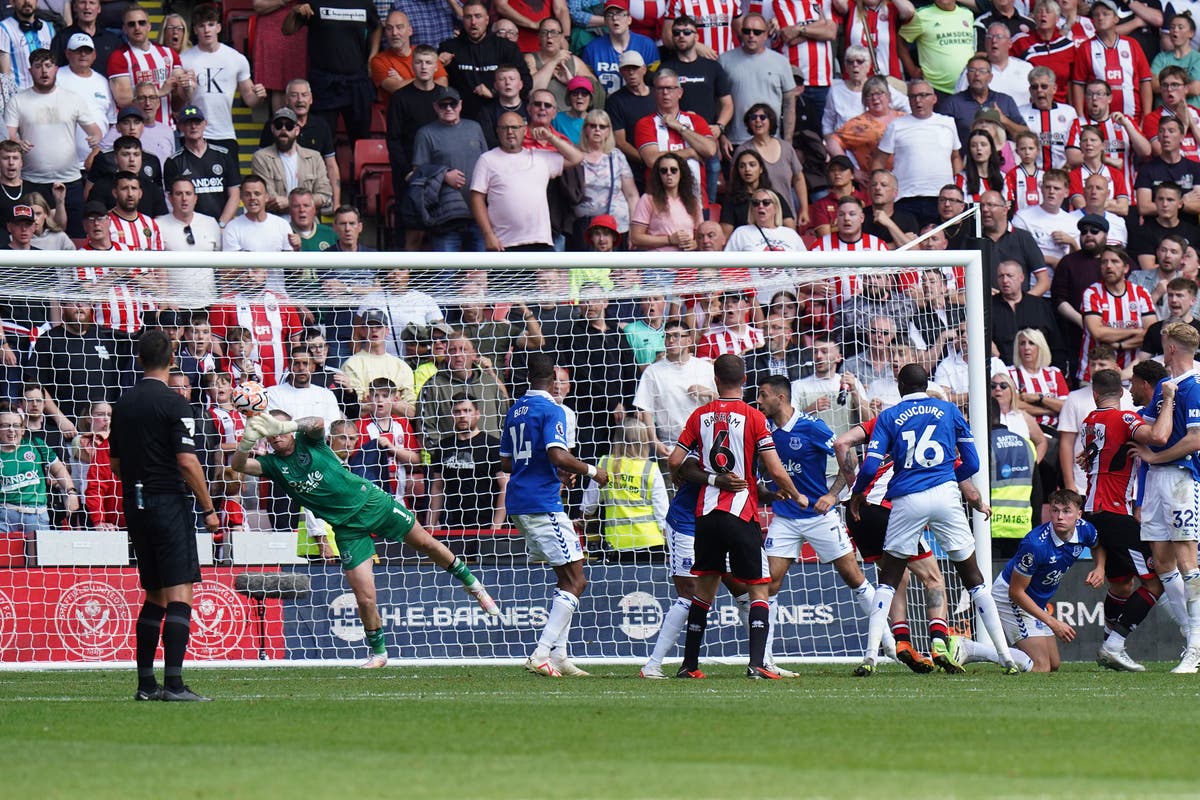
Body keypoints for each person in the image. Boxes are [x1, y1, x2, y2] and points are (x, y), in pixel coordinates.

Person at [233, 409, 498, 668]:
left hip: (372, 503)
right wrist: (247, 441)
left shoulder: (308, 441)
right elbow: (238, 465)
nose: (276, 436)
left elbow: (317, 422)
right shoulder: (273, 465)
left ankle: (473, 584)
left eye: (280, 430)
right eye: (271, 433)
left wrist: (286, 426)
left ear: (289, 430)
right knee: (364, 597)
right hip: (346, 528)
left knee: (425, 543)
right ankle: (379, 653)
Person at [849, 363, 1019, 676]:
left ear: (900, 386)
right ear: (926, 384)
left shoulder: (888, 416)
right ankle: (1005, 657)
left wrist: (858, 492)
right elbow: (973, 463)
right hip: (945, 494)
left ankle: (871, 656)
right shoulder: (949, 410)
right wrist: (948, 476)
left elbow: (870, 466)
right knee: (973, 577)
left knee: (890, 579)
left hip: (906, 499)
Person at [667, 354, 804, 680]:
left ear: (715, 380)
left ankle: (689, 665)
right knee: (759, 588)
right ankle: (757, 663)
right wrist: (797, 495)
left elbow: (674, 461)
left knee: (704, 589)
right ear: (744, 380)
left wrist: (690, 478)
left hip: (706, 514)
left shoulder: (699, 415)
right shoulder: (754, 417)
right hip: (741, 513)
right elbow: (775, 469)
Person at [108, 330, 220, 701]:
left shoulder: (122, 404)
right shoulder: (175, 403)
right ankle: (173, 685)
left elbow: (116, 464)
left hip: (135, 504)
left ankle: (145, 685)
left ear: (139, 360)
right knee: (180, 592)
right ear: (172, 360)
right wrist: (208, 508)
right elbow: (187, 461)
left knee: (154, 593)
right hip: (168, 503)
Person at [755, 375, 892, 672]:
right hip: (785, 517)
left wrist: (832, 495)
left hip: (819, 516)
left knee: (854, 578)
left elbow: (849, 458)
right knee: (769, 585)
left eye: (763, 395)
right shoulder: (762, 429)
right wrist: (770, 492)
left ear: (781, 398)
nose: (759, 401)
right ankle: (764, 659)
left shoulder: (811, 427)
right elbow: (762, 475)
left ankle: (889, 644)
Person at [500, 352, 608, 677]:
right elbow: (558, 454)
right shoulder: (552, 409)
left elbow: (507, 462)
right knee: (577, 580)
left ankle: (559, 655)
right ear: (553, 381)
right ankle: (541, 652)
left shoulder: (515, 410)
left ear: (528, 376)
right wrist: (593, 471)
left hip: (518, 501)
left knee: (565, 579)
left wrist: (550, 468)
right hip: (542, 502)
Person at [1080, 367, 1172, 672]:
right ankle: (1114, 645)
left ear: (1094, 394)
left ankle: (1109, 642)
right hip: (1115, 512)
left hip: (1093, 510)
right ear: (1121, 392)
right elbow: (1158, 436)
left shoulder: (1088, 421)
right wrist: (1168, 400)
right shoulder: (1124, 419)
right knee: (1156, 582)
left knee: (1121, 585)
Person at [1133, 321, 1200, 673]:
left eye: (1162, 342)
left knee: (1188, 561)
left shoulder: (1194, 385)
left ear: (1171, 347)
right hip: (1157, 481)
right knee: (1162, 562)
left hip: (1181, 479)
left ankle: (1196, 648)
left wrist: (1156, 459)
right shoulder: (1164, 386)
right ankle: (1191, 633)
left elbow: (1195, 438)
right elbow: (1144, 426)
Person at [968, 490, 1097, 673]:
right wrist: (1053, 622)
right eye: (1055, 510)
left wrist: (1100, 567)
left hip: (1034, 600)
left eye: (1067, 511)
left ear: (1079, 514)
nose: (1060, 517)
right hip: (1011, 598)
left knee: (1054, 664)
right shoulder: (1035, 545)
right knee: (1041, 667)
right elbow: (1015, 592)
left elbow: (1098, 545)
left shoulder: (1085, 529)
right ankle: (972, 649)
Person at [470, 111, 583, 252]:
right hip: (503, 243)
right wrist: (488, 234)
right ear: (497, 131)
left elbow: (576, 157)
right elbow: (476, 198)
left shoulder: (540, 157)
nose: (510, 132)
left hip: (541, 242)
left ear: (525, 130)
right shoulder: (487, 159)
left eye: (515, 127)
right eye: (504, 128)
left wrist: (551, 137)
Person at [181, 3, 266, 159]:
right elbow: (179, 100)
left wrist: (259, 95)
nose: (207, 30)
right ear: (195, 30)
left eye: (211, 24)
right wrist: (186, 89)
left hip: (225, 133)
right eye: (201, 26)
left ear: (219, 27)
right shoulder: (184, 59)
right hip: (193, 132)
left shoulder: (236, 58)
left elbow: (250, 99)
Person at [874, 80, 962, 226]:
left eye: (923, 95)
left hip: (941, 198)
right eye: (913, 96)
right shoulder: (896, 125)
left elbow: (956, 157)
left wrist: (956, 188)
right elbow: (879, 161)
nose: (918, 100)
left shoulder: (948, 123)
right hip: (905, 198)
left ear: (934, 98)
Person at [580, 417, 666, 556]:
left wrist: (582, 518)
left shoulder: (604, 463)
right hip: (650, 541)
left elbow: (588, 505)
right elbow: (662, 510)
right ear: (644, 441)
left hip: (616, 543)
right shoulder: (651, 468)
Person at [439, 0, 531, 119]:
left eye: (478, 16)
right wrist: (438, 65)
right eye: (468, 17)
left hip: (501, 115)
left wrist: (494, 92)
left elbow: (526, 82)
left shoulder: (506, 47)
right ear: (463, 19)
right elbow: (435, 88)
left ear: (487, 20)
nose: (473, 22)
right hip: (462, 117)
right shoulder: (448, 48)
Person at [718, 12, 797, 151]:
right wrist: (721, 135)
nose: (751, 35)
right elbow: (717, 103)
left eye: (757, 32)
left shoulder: (781, 62)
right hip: (735, 140)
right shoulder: (724, 61)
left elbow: (789, 104)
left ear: (765, 35)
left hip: (772, 140)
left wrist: (788, 141)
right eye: (746, 31)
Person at [428, 395, 507, 530]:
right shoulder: (443, 447)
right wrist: (430, 524)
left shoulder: (492, 445)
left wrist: (496, 526)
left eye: (467, 410)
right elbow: (437, 487)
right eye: (457, 411)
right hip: (455, 526)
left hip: (487, 526)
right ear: (452, 415)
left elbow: (505, 486)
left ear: (477, 414)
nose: (462, 416)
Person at [1079, 246, 1157, 381]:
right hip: (1093, 375)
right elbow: (1098, 333)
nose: (1108, 266)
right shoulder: (1092, 293)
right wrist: (1136, 331)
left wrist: (1120, 345)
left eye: (1114, 261)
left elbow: (1150, 335)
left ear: (1126, 268)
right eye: (1104, 262)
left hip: (1132, 374)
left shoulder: (1141, 293)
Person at [1070, 0, 1152, 125]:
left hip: (1132, 119)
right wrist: (1081, 118)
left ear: (1116, 19)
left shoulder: (1132, 44)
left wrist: (1146, 117)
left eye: (1105, 14)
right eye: (1096, 15)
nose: (1100, 18)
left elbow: (1145, 81)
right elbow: (1078, 84)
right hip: (1097, 122)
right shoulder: (1086, 47)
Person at [164, 104, 241, 225]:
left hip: (222, 225)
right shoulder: (173, 161)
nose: (193, 126)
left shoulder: (224, 155)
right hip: (190, 226)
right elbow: (172, 199)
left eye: (197, 122)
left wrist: (222, 224)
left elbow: (234, 194)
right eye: (188, 123)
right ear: (180, 126)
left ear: (205, 124)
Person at [251, 107, 334, 214]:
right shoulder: (260, 157)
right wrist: (307, 202)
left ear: (297, 130)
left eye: (289, 126)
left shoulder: (314, 157)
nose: (283, 130)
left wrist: (290, 202)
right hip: (275, 220)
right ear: (272, 129)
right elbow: (266, 195)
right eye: (279, 125)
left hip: (308, 220)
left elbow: (325, 195)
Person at [898, 0, 976, 97]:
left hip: (968, 86)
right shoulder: (921, 15)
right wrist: (911, 69)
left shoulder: (968, 14)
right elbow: (900, 39)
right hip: (936, 89)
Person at [581, 0, 658, 96]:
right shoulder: (592, 49)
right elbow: (587, 83)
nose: (615, 18)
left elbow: (654, 81)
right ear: (605, 21)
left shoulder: (647, 45)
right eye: (610, 15)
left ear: (629, 19)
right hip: (604, 103)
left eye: (620, 14)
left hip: (638, 101)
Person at [369, 10, 448, 103]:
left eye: (399, 27)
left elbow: (443, 84)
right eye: (389, 28)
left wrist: (403, 81)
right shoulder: (379, 61)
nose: (394, 33)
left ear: (410, 30)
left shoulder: (426, 53)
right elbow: (397, 89)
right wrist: (429, 78)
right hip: (398, 111)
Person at [725, 188, 806, 252]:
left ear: (776, 208)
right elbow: (727, 264)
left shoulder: (791, 234)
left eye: (766, 202)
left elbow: (806, 265)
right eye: (756, 203)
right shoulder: (741, 233)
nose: (760, 206)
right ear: (752, 209)